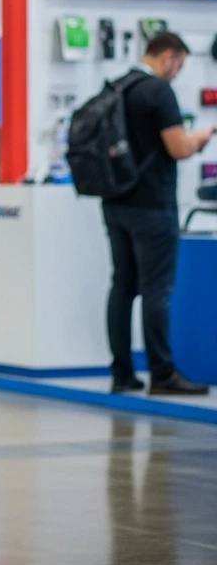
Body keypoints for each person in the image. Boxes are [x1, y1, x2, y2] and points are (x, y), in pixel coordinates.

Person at [103, 31, 214, 396]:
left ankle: (122, 373)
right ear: (169, 56)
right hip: (152, 205)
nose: (178, 73)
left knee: (122, 286)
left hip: (116, 203)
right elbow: (179, 147)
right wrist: (201, 137)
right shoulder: (157, 91)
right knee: (157, 289)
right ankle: (163, 374)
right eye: (179, 64)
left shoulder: (118, 86)